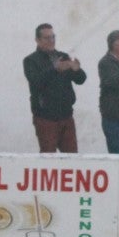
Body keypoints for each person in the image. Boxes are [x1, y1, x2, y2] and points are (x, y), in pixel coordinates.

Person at [23, 23, 87, 153]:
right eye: (47, 38)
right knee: (48, 158)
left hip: (66, 115)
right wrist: (54, 69)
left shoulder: (63, 56)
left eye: (53, 37)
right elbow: (36, 82)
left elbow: (81, 80)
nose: (51, 41)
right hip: (45, 118)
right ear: (37, 40)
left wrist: (77, 70)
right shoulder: (31, 60)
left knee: (72, 157)